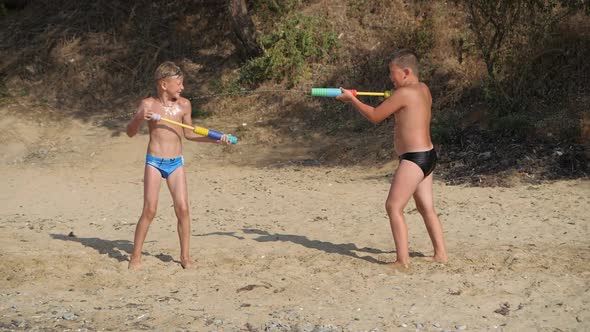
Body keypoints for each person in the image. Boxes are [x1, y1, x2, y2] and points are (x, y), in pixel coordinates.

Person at [336, 49, 448, 268]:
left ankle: (402, 260)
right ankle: (440, 254)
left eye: (392, 73)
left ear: (406, 72)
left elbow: (375, 116)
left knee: (393, 207)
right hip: (429, 155)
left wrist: (352, 99)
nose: (390, 78)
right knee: (426, 207)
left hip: (414, 159)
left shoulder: (403, 94)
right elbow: (408, 112)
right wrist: (394, 96)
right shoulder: (423, 89)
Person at [126, 61, 230, 269]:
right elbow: (130, 132)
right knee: (150, 209)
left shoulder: (184, 105)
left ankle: (185, 257)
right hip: (154, 162)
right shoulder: (148, 105)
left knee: (183, 208)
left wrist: (215, 139)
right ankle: (135, 257)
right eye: (179, 83)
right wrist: (138, 118)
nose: (182, 88)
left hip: (176, 163)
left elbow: (190, 134)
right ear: (164, 84)